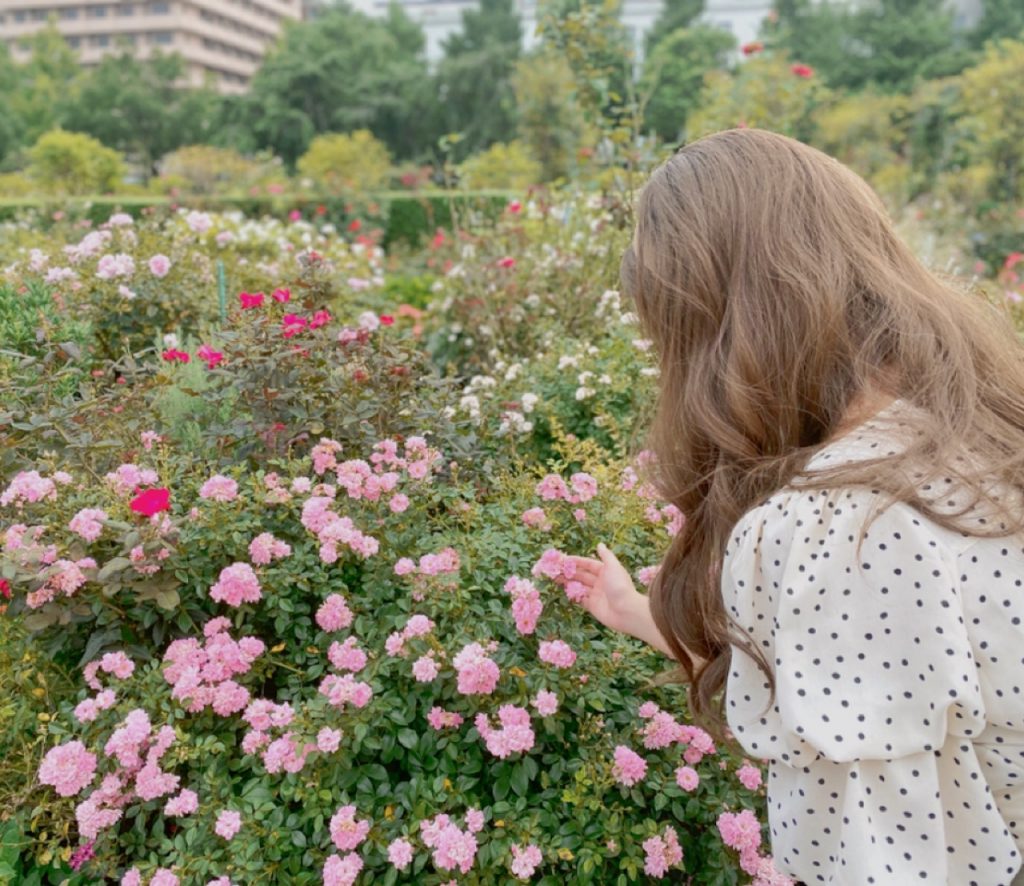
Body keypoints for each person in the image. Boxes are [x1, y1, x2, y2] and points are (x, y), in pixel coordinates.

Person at [570, 128, 1024, 885]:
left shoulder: (840, 526)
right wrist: (641, 615)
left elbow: (889, 860)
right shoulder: (970, 434)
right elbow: (901, 686)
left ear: (718, 324)